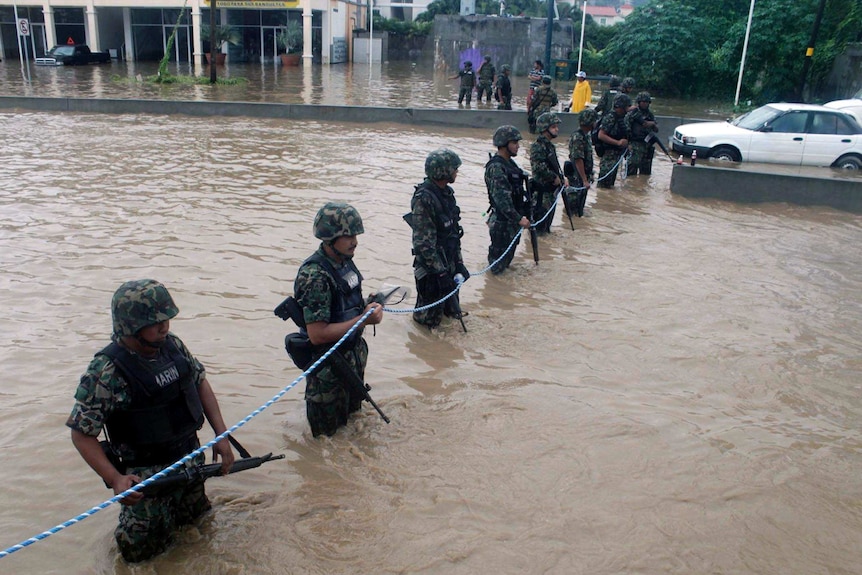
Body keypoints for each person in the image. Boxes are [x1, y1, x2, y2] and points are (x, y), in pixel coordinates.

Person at [67, 279, 237, 563]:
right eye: (155, 322)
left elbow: (200, 383)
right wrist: (115, 479)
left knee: (198, 530)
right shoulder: (106, 371)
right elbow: (81, 434)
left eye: (166, 319)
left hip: (190, 463)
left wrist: (222, 435)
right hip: (145, 482)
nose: (164, 327)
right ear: (131, 325)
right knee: (140, 556)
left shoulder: (172, 347)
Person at [293, 202, 384, 437]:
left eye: (355, 234)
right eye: (347, 235)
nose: (354, 240)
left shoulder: (344, 262)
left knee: (354, 429)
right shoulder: (315, 276)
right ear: (329, 237)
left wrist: (369, 308)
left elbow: (349, 307)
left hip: (351, 362)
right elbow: (317, 334)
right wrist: (363, 320)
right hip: (329, 373)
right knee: (328, 444)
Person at [409, 149, 469, 329]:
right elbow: (423, 244)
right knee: (428, 322)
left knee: (452, 314)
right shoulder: (424, 199)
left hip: (448, 260)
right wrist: (440, 273)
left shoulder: (446, 194)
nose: (456, 172)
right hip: (431, 269)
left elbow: (453, 233)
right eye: (454, 169)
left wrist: (458, 263)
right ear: (443, 171)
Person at [485, 125, 531, 274]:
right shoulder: (497, 167)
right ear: (504, 144)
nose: (518, 146)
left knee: (506, 263)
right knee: (497, 269)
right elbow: (502, 200)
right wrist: (519, 218)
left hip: (511, 222)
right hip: (503, 223)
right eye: (514, 143)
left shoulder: (510, 164)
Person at [529, 112, 564, 234]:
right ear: (545, 129)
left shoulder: (549, 146)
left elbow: (554, 166)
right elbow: (538, 167)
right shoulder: (538, 146)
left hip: (550, 193)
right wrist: (554, 177)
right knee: (539, 232)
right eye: (553, 127)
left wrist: (561, 178)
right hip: (541, 195)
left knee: (546, 230)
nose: (557, 129)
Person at [597, 93, 631, 189]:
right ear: (620, 107)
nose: (627, 110)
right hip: (608, 155)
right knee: (603, 186)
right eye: (626, 107)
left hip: (616, 155)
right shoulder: (610, 117)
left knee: (610, 185)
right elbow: (601, 135)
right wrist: (618, 143)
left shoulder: (622, 118)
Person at [567, 108, 596, 213]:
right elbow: (578, 159)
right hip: (577, 177)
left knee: (580, 207)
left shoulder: (585, 136)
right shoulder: (578, 137)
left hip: (581, 176)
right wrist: (584, 180)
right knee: (574, 208)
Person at [625, 91, 659, 176]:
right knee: (631, 173)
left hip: (646, 145)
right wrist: (628, 144)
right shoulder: (632, 114)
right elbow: (626, 129)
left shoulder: (650, 115)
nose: (644, 104)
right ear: (639, 102)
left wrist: (653, 124)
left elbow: (656, 130)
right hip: (634, 144)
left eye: (646, 102)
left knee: (645, 174)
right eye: (642, 102)